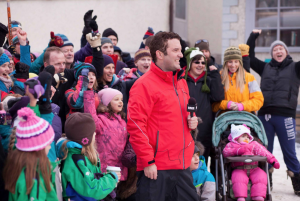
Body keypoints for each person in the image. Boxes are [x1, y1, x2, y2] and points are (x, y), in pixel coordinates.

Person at [127, 31, 199, 201]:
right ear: (160, 54)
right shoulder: (143, 85)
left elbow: (185, 110)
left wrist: (192, 120)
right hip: (156, 168)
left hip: (181, 166)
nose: (181, 55)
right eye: (175, 50)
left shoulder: (181, 81)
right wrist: (148, 162)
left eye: (180, 50)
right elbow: (136, 126)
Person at [247, 29, 300, 196]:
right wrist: (253, 36)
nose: (278, 51)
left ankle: (298, 184)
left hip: (285, 117)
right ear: (272, 53)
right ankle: (265, 184)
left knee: (289, 152)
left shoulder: (295, 68)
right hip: (264, 116)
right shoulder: (265, 68)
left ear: (286, 52)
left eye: (281, 49)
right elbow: (248, 57)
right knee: (264, 151)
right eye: (275, 49)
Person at [58, 112, 120, 200]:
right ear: (85, 139)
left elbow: (90, 180)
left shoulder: (83, 155)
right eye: (92, 132)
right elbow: (91, 190)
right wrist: (112, 178)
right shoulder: (77, 161)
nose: (95, 134)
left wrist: (103, 177)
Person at [3, 107, 58, 201]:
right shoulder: (33, 181)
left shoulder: (19, 167)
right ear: (37, 148)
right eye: (48, 144)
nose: (49, 147)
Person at [184, 47, 224, 163]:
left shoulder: (209, 80)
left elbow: (218, 97)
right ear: (190, 63)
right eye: (197, 62)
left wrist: (215, 74)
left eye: (203, 62)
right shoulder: (182, 80)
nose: (200, 65)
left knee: (201, 162)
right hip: (186, 128)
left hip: (204, 129)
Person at [223, 124, 280, 201]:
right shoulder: (231, 145)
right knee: (238, 180)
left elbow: (263, 152)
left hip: (254, 168)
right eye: (243, 136)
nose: (246, 138)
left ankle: (258, 196)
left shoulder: (254, 144)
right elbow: (226, 152)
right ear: (236, 138)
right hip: (239, 168)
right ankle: (240, 197)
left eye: (247, 137)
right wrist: (238, 151)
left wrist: (273, 160)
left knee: (261, 177)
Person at [84, 88, 128, 181]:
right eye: (116, 99)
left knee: (114, 194)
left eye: (121, 99)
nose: (120, 102)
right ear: (107, 103)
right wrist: (88, 94)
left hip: (118, 168)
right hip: (104, 168)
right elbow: (90, 116)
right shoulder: (101, 120)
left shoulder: (122, 121)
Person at [212, 46, 264, 113]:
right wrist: (226, 104)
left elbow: (259, 101)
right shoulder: (219, 77)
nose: (233, 65)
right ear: (225, 63)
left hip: (245, 119)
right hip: (225, 119)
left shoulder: (249, 78)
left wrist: (242, 106)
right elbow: (213, 105)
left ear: (240, 63)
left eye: (236, 61)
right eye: (230, 62)